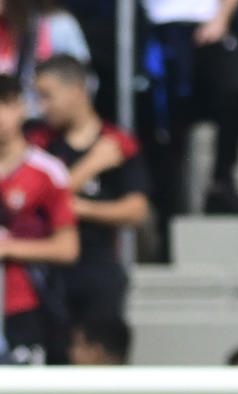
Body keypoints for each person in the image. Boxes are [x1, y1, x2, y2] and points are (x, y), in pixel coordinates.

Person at [29, 55, 147, 347]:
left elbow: (137, 211)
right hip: (47, 271)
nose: (42, 106)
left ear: (77, 89)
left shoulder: (118, 142)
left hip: (99, 268)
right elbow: (30, 199)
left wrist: (81, 208)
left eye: (47, 96)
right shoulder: (39, 143)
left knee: (98, 358)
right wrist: (89, 168)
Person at [139, 0, 238, 228]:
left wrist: (222, 17)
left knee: (235, 88)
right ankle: (166, 210)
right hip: (156, 27)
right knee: (166, 123)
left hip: (208, 24)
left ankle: (222, 183)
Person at [0, 70, 76, 364]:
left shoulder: (47, 171)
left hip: (26, 303)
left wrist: (8, 248)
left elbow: (68, 248)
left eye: (6, 104)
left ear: (21, 107)